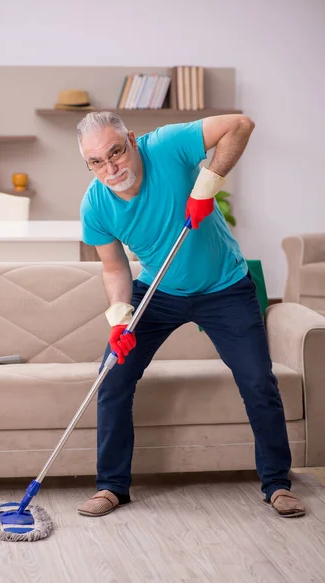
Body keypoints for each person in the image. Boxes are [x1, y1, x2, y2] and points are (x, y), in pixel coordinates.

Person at [76, 111, 305, 519]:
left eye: (116, 151)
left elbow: (242, 124)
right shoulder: (95, 205)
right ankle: (111, 486)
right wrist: (119, 320)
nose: (111, 168)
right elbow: (114, 268)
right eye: (97, 162)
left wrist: (208, 184)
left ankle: (277, 483)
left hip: (225, 288)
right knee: (113, 374)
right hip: (159, 290)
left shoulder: (165, 145)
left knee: (257, 381)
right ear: (88, 165)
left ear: (131, 138)